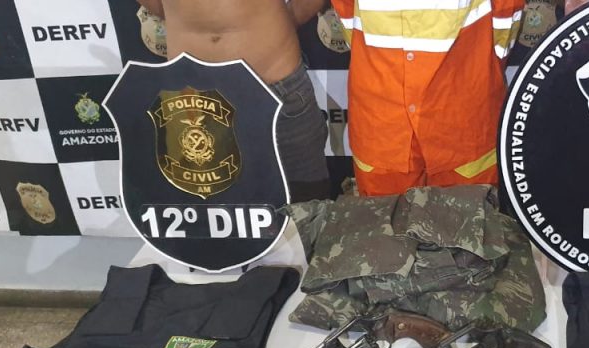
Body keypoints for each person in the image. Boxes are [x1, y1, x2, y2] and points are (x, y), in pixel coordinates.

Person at [137, 0, 332, 203]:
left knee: (306, 203)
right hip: (192, 97)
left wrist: (278, 26)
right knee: (211, 210)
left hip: (274, 82)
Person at [331, 0, 525, 196]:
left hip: (459, 119)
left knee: (470, 211)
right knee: (384, 212)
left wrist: (483, 64)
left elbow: (506, 11)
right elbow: (348, 14)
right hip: (388, 122)